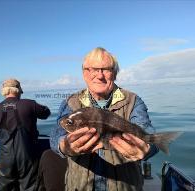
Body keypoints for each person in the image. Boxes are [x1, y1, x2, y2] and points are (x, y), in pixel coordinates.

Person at [50, 47, 159, 191]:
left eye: (106, 69)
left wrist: (147, 148)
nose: (99, 75)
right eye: (93, 69)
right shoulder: (70, 102)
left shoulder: (133, 100)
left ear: (114, 73)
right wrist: (63, 145)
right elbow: (56, 134)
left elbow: (145, 129)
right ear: (84, 73)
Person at [0, 78, 51, 191]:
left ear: (4, 91)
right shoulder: (29, 104)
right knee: (31, 186)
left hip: (5, 158)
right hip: (28, 156)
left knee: (3, 187)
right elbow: (46, 113)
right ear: (18, 90)